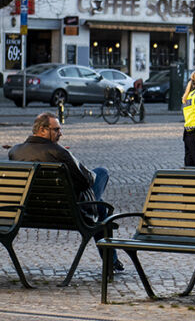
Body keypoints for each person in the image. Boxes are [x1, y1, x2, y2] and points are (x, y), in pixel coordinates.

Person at [8, 112, 123, 271]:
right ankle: (112, 262)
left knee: (101, 207)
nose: (60, 134)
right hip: (68, 212)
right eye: (56, 130)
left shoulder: (15, 151)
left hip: (30, 211)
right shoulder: (60, 153)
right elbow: (85, 182)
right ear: (42, 130)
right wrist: (70, 156)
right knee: (101, 175)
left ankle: (112, 260)